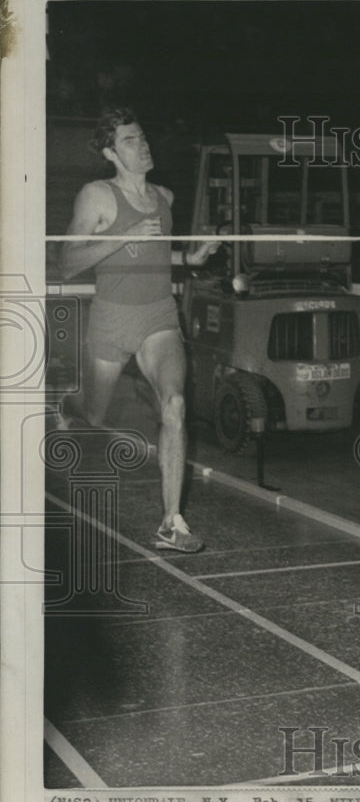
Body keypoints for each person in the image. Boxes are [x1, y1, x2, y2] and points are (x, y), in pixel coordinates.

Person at [59, 107, 219, 553]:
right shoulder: (97, 195)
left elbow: (156, 258)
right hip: (111, 317)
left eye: (144, 137)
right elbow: (67, 263)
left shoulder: (165, 197)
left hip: (157, 317)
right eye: (131, 140)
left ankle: (171, 522)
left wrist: (192, 259)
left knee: (176, 404)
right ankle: (68, 401)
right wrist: (122, 235)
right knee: (93, 413)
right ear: (111, 152)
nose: (143, 145)